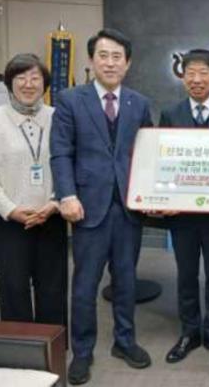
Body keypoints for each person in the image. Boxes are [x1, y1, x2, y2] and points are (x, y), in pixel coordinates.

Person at [50, 28, 153, 385]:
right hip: (86, 207)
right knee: (85, 285)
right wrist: (66, 195)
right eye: (103, 56)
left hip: (127, 208)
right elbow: (61, 152)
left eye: (117, 57)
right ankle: (82, 351)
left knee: (126, 281)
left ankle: (125, 341)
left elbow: (147, 154)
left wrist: (151, 194)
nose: (110, 63)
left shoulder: (139, 103)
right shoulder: (69, 100)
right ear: (92, 60)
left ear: (128, 63)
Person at [0, 53, 67, 326]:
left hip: (51, 217)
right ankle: (19, 349)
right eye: (21, 78)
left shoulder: (58, 117)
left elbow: (69, 165)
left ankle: (52, 347)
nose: (28, 84)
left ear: (44, 84)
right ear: (9, 83)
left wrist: (55, 202)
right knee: (14, 291)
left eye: (35, 78)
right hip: (9, 222)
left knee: (53, 290)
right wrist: (10, 209)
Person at [159, 49, 209, 366]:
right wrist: (163, 199)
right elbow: (162, 161)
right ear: (182, 77)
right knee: (186, 275)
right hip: (183, 216)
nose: (197, 79)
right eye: (190, 73)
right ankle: (189, 331)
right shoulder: (170, 113)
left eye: (204, 73)